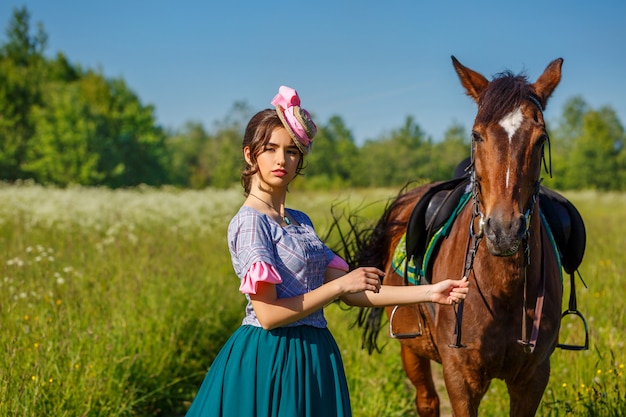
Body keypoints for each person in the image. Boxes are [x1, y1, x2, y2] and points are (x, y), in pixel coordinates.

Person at [185, 86, 469, 417]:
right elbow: (269, 316)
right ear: (250, 155)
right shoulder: (251, 223)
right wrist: (338, 287)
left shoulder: (300, 221)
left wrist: (431, 292)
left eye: (291, 151)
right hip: (272, 357)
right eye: (271, 149)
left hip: (313, 355)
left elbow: (354, 293)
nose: (282, 160)